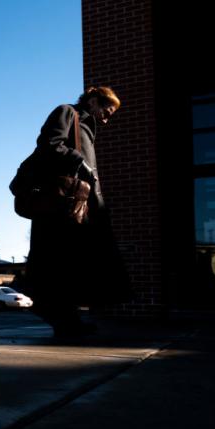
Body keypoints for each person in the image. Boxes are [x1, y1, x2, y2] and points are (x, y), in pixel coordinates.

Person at [24, 86, 128, 338]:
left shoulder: (87, 129)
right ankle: (60, 316)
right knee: (59, 263)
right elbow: (49, 144)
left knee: (73, 265)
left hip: (80, 207)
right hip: (62, 206)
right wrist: (80, 162)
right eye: (106, 110)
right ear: (93, 101)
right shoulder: (67, 113)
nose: (106, 118)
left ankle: (69, 320)